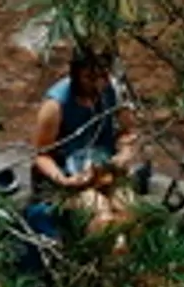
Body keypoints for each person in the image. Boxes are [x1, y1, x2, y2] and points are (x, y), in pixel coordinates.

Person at [27, 41, 144, 223]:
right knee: (101, 215)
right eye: (89, 77)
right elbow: (41, 155)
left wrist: (124, 153)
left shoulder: (112, 90)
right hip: (71, 177)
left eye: (103, 76)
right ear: (76, 74)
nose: (98, 84)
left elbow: (128, 132)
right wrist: (64, 181)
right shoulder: (55, 106)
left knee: (129, 210)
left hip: (105, 170)